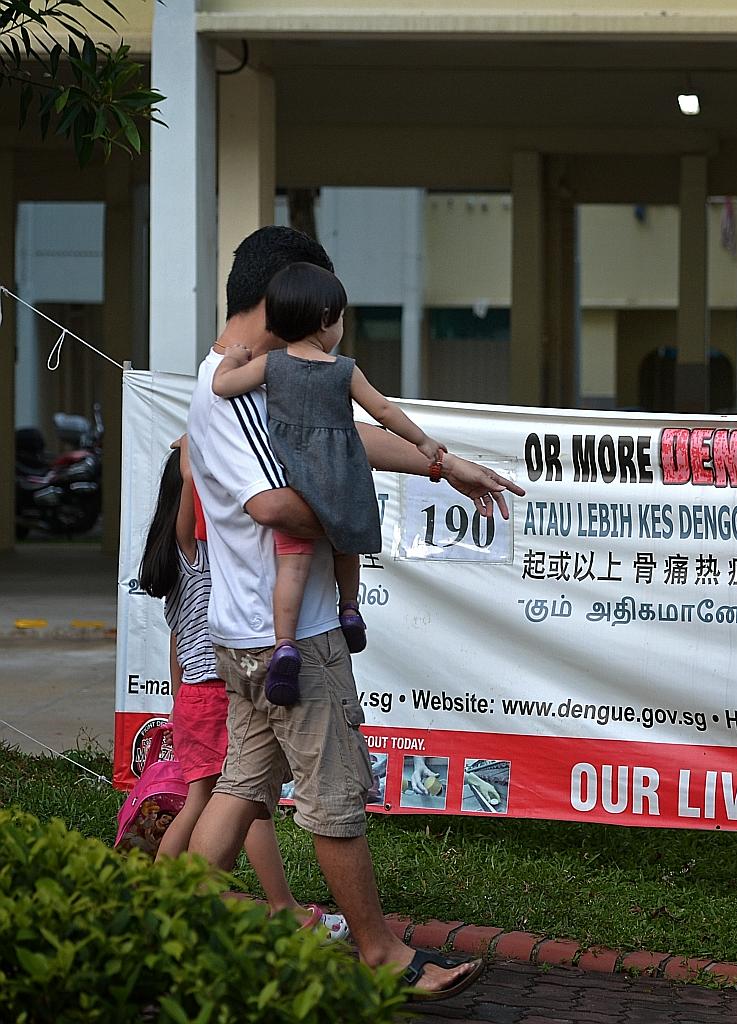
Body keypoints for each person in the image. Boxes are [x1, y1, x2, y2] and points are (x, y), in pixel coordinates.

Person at [186, 225, 521, 1000]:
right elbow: (280, 505)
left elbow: (344, 432)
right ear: (285, 299)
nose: (330, 325)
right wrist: (351, 518)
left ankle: (168, 924)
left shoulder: (252, 377)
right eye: (322, 306)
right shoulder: (229, 392)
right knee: (334, 795)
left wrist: (442, 464)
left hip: (245, 635)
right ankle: (381, 955)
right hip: (293, 640)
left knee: (242, 785)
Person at [137, 439, 347, 941]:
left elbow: (175, 651)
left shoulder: (179, 569)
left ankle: (160, 897)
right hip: (211, 696)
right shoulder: (195, 556)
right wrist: (196, 453)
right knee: (238, 799)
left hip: (194, 697)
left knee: (220, 798)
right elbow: (193, 486)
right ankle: (270, 904)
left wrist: (175, 707)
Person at [211, 262, 445, 706]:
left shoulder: (270, 366)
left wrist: (234, 357)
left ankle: (283, 644)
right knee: (346, 543)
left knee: (293, 566)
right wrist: (423, 442)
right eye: (339, 317)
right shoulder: (344, 369)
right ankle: (350, 608)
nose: (341, 325)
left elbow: (222, 387)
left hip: (294, 480)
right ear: (324, 320)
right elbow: (384, 412)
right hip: (342, 478)